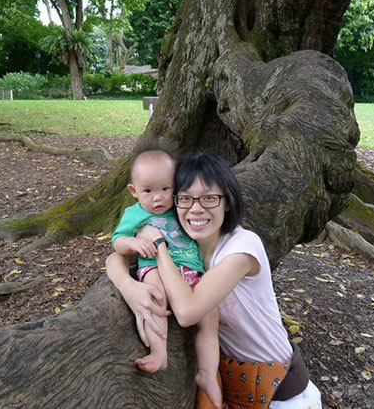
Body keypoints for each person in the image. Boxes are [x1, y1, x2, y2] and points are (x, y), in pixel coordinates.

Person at [107, 152, 322, 409]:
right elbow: (114, 257)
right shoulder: (188, 245)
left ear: (227, 202)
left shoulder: (243, 248)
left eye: (209, 198)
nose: (196, 208)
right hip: (234, 387)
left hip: (284, 395)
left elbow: (187, 312)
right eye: (186, 198)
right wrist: (128, 286)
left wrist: (158, 244)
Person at [111, 142, 223, 407]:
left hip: (190, 271)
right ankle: (159, 352)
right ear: (133, 191)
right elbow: (117, 242)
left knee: (211, 314)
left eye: (165, 189)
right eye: (148, 191)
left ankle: (207, 373)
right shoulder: (134, 214)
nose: (158, 198)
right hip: (155, 267)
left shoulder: (181, 207)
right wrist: (133, 244)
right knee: (156, 297)